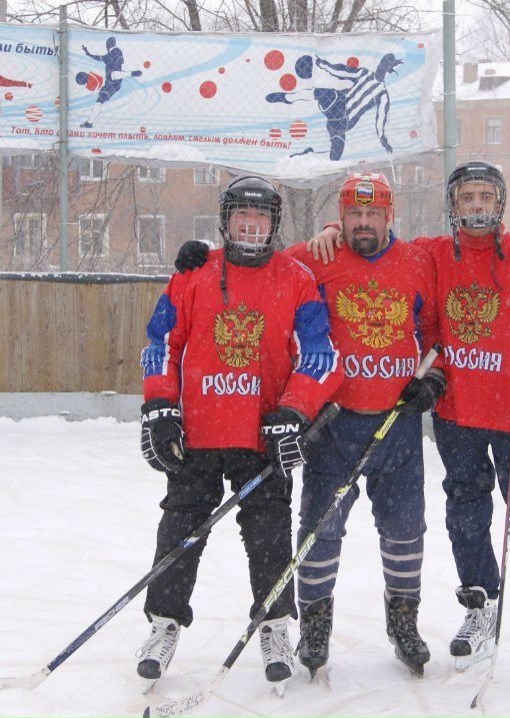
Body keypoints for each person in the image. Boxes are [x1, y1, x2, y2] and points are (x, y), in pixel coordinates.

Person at [306, 161, 510, 694]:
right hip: (457, 414)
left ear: (499, 202)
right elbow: (381, 245)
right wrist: (339, 232)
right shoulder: (431, 253)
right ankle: (480, 608)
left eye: (484, 196)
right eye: (466, 196)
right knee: (466, 516)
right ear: (454, 204)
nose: (475, 204)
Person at [174, 172, 442, 679]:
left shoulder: (417, 262)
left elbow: (435, 334)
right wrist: (202, 256)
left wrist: (434, 378)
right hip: (333, 424)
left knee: (406, 529)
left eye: (374, 214)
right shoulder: (313, 257)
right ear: (340, 218)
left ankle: (404, 619)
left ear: (390, 215)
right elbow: (252, 260)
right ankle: (316, 624)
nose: (364, 223)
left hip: (396, 424)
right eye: (354, 214)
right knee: (320, 529)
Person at [136, 176, 341, 696]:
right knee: (180, 528)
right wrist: (160, 406)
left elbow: (322, 356)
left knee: (270, 535)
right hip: (199, 433)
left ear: (274, 224)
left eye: (261, 218)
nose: (251, 227)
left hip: (260, 436)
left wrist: (292, 413)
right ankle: (164, 623)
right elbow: (162, 340)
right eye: (241, 218)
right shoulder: (194, 272)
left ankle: (274, 627)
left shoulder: (295, 279)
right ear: (225, 221)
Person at [265, 54, 402, 161]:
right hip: (338, 102)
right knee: (323, 93)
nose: (381, 67)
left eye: (385, 65)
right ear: (379, 63)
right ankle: (287, 98)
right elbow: (342, 71)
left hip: (345, 120)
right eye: (381, 62)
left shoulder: (383, 94)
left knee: (335, 154)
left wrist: (383, 139)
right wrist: (323, 64)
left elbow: (382, 117)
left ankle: (311, 155)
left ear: (388, 69)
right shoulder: (364, 73)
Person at [78, 37, 143, 129]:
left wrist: (88, 54)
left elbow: (117, 62)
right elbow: (98, 57)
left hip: (114, 81)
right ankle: (90, 122)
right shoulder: (108, 56)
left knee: (113, 75)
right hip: (110, 84)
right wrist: (88, 54)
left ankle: (131, 73)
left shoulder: (113, 53)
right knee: (99, 101)